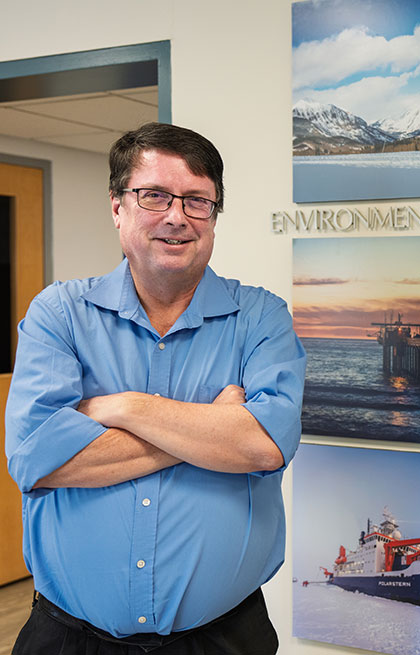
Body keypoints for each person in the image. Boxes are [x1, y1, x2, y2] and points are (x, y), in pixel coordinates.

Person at [4, 122, 306, 654]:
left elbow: (263, 445)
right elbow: (38, 460)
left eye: (197, 201)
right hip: (69, 640)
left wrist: (123, 407)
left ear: (214, 216)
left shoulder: (261, 317)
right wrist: (208, 433)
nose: (176, 216)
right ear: (118, 208)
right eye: (154, 196)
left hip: (223, 639)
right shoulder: (60, 314)